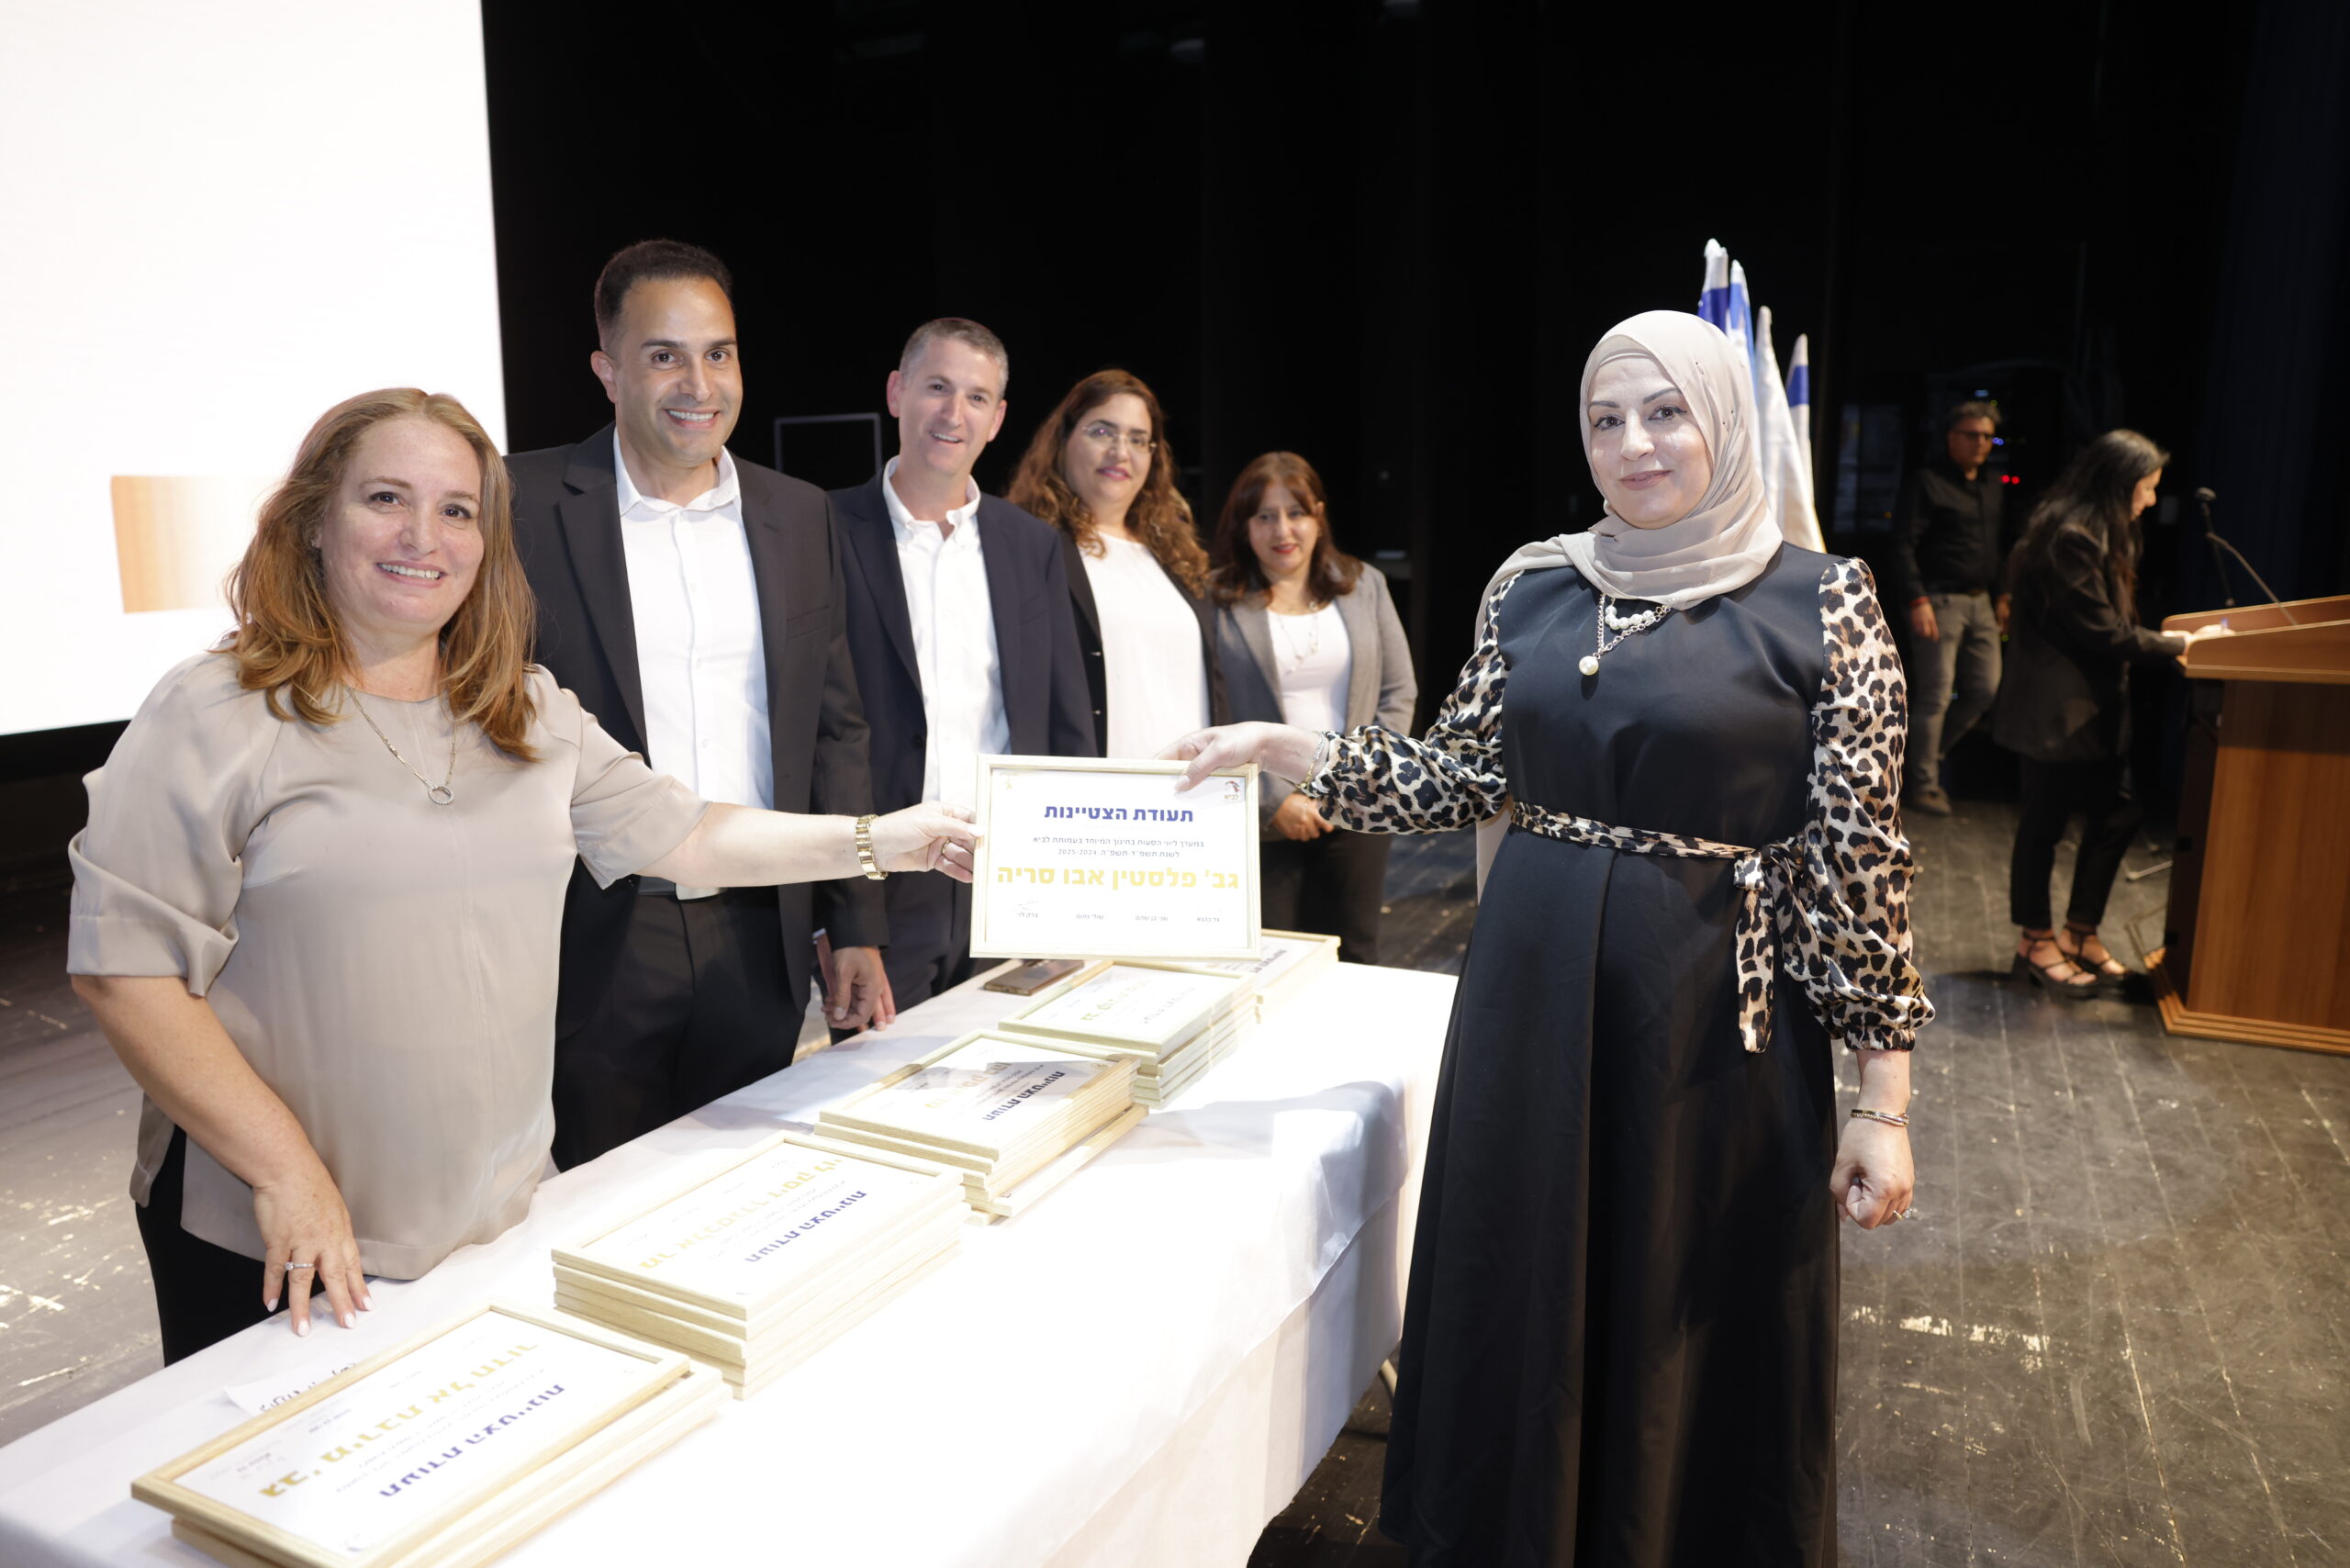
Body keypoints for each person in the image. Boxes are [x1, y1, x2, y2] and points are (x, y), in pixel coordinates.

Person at [1166, 312, 1931, 1565]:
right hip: (1528, 1004)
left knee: (1683, 1290)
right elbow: (1457, 776)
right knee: (1523, 1275)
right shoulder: (1533, 585)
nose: (1634, 444)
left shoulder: (1823, 601)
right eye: (1605, 418)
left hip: (1712, 1027)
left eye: (1665, 413)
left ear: (1723, 420)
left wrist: (1881, 1102)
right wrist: (1285, 747)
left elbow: (1859, 862)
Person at [67, 389, 976, 1362]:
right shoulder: (219, 710)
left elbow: (693, 837)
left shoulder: (527, 712)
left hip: (493, 1219)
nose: (423, 536)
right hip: (281, 1236)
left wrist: (887, 840)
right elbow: (127, 971)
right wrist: (287, 1173)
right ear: (315, 519)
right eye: (385, 498)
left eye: (457, 509)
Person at [509, 241, 893, 1170]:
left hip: (759, 934)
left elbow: (834, 729)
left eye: (719, 353)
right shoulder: (519, 505)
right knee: (599, 1203)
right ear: (607, 370)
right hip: (593, 935)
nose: (699, 383)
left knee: (742, 1190)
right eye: (664, 355)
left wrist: (854, 923)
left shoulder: (799, 514)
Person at [831, 319, 1096, 1007]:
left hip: (1010, 874)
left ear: (998, 419)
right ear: (897, 392)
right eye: (937, 388)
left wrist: (1070, 892)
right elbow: (819, 736)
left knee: (1014, 1062)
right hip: (885, 880)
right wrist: (847, 916)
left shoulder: (1033, 545)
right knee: (884, 1070)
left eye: (977, 397)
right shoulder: (824, 532)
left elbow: (1067, 727)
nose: (954, 414)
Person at [1992, 430, 2220, 993]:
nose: (2151, 500)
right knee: (2043, 826)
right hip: (2056, 711)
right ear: (2120, 483)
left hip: (2092, 710)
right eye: (2147, 487)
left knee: (2120, 811)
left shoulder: (2104, 531)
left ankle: (2080, 932)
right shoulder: (2070, 536)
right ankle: (2035, 941)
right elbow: (2102, 631)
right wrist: (2181, 644)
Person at [1208, 452, 1415, 964]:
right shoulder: (1216, 600)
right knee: (1264, 958)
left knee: (1354, 952)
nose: (1283, 530)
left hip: (1359, 804)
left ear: (1318, 516)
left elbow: (1398, 691)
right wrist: (1274, 802)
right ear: (1244, 526)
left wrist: (1351, 783)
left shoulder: (1365, 584)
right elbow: (1211, 711)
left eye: (1296, 513)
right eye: (1265, 516)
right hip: (1260, 814)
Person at [1006, 369, 1225, 757]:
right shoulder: (1032, 549)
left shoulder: (1177, 557)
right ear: (1063, 440)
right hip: (1097, 788)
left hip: (1192, 789)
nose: (1121, 452)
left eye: (1138, 439)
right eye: (1102, 432)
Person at [1888, 399, 2013, 815]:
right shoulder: (1928, 482)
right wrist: (1917, 599)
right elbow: (1902, 545)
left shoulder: (1992, 485)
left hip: (1982, 600)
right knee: (1936, 693)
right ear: (1951, 437)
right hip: (1939, 599)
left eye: (1987, 436)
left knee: (1984, 690)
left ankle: (1919, 759)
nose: (1981, 443)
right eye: (1972, 435)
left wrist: (2003, 595)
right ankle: (1923, 784)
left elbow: (1997, 545)